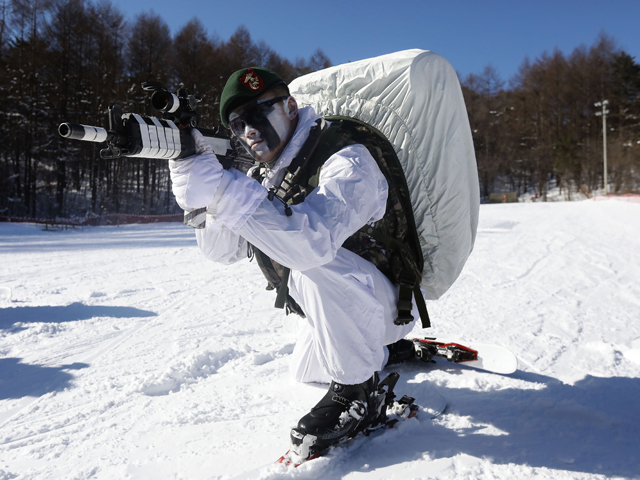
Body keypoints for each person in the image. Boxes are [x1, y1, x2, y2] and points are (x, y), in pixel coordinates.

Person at [169, 67, 421, 457]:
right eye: (238, 124)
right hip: (348, 305)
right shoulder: (267, 177)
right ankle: (381, 353)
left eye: (257, 113)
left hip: (387, 303)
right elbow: (223, 251)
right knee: (306, 371)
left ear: (290, 105)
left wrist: (224, 190)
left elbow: (313, 244)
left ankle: (359, 395)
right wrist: (202, 198)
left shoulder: (347, 159)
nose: (248, 130)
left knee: (312, 268)